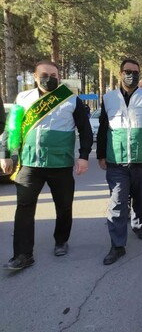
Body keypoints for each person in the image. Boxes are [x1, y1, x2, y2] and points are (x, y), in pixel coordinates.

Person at [3, 60, 93, 270]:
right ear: (35, 77)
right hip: (29, 163)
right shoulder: (23, 98)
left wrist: (83, 156)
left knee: (63, 206)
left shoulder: (71, 99)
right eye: (45, 74)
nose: (50, 78)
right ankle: (23, 254)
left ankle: (61, 240)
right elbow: (11, 127)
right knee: (24, 207)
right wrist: (5, 153)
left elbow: (85, 130)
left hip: (60, 164)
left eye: (54, 75)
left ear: (59, 77)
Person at [97, 59, 142, 265]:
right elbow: (103, 128)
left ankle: (139, 225)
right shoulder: (108, 98)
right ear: (120, 73)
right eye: (127, 71)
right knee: (117, 203)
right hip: (117, 161)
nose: (131, 75)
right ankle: (117, 246)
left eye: (135, 72)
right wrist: (101, 155)